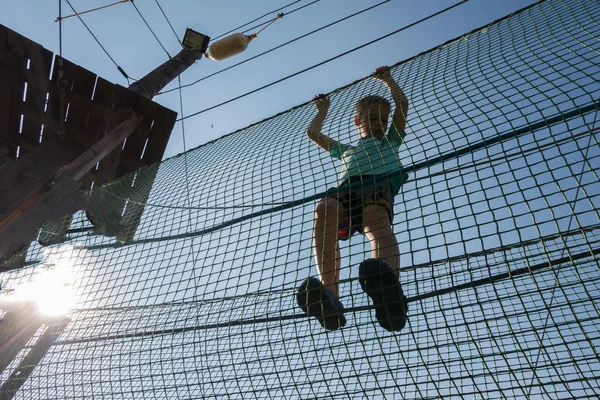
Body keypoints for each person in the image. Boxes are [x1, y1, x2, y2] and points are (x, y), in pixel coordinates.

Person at [296, 66, 409, 332]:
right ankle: (330, 296)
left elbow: (402, 104)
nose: (379, 125)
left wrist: (388, 80)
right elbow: (313, 135)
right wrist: (322, 110)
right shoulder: (347, 151)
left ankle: (388, 284)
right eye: (372, 119)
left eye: (383, 120)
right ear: (358, 122)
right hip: (346, 191)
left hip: (375, 187)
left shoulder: (391, 141)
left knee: (375, 218)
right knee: (325, 207)